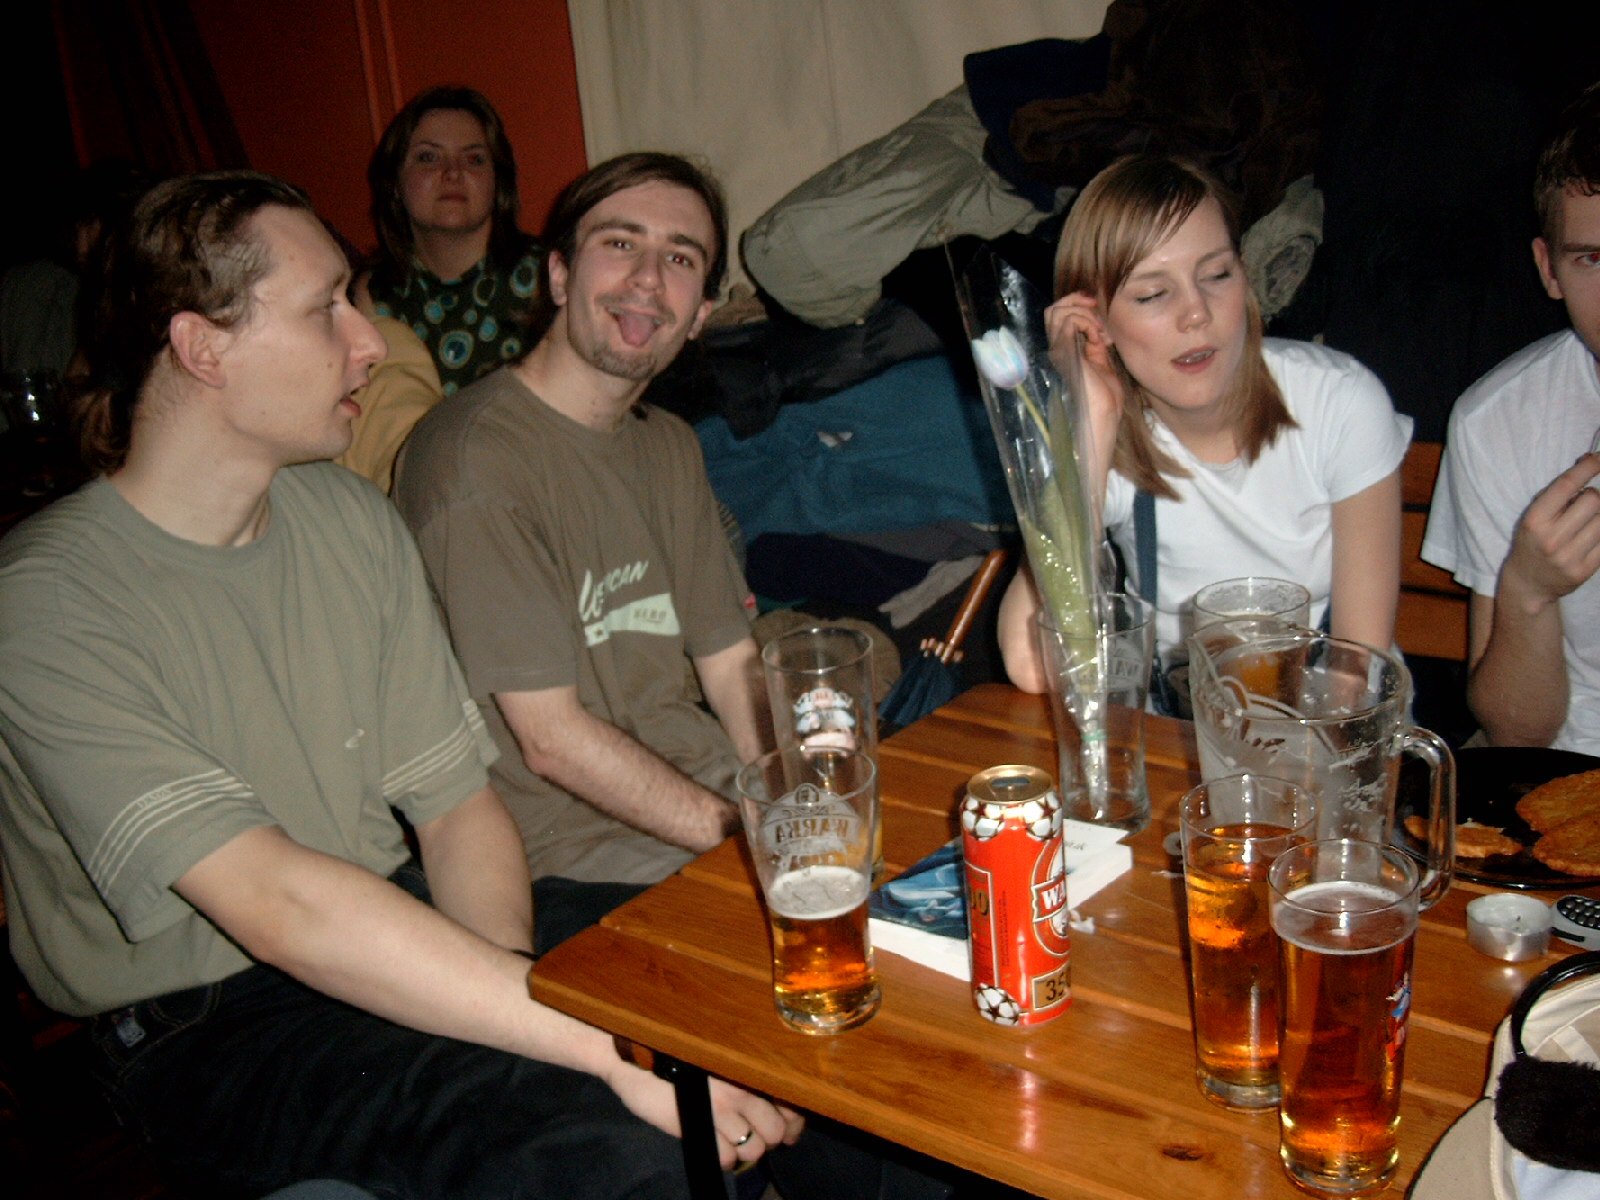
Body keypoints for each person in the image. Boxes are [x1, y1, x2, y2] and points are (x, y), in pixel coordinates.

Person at [0, 170, 803, 1198]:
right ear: (202, 348)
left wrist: (507, 1004)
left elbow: (456, 810)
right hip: (209, 1012)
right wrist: (582, 1046)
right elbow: (278, 902)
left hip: (400, 917)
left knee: (776, 1021)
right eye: (326, 308)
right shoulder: (45, 597)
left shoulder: (345, 519)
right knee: (637, 1149)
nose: (371, 343)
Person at [395, 153, 768, 952]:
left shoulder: (668, 445)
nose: (647, 280)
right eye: (620, 244)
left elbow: (731, 663)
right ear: (559, 276)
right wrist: (752, 841)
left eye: (679, 259)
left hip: (711, 811)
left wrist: (791, 799)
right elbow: (551, 741)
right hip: (578, 862)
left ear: (701, 312)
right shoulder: (474, 457)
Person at [997, 153, 1409, 691]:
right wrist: (1093, 421)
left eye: (1216, 274)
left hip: (1325, 716)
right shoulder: (1107, 432)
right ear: (1095, 320)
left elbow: (1355, 672)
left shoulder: (1339, 402)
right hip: (1179, 727)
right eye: (1153, 294)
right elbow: (1031, 664)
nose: (1196, 312)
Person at [1422, 81, 1600, 753]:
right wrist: (1527, 590)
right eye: (1593, 259)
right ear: (1549, 269)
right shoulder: (1499, 421)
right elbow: (1517, 733)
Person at [358, 85, 543, 394]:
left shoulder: (549, 277)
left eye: (474, 159)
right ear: (395, 183)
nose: (452, 173)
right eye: (429, 157)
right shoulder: (375, 294)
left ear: (498, 181)